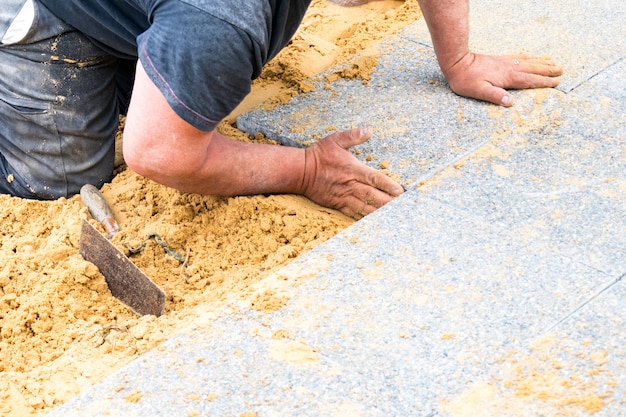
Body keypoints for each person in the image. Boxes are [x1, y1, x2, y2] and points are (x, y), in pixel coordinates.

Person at [0, 0, 562, 219]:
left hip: (176, 21)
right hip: (43, 14)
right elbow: (155, 153)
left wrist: (458, 57)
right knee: (63, 182)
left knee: (194, 79)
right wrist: (305, 169)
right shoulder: (221, 21)